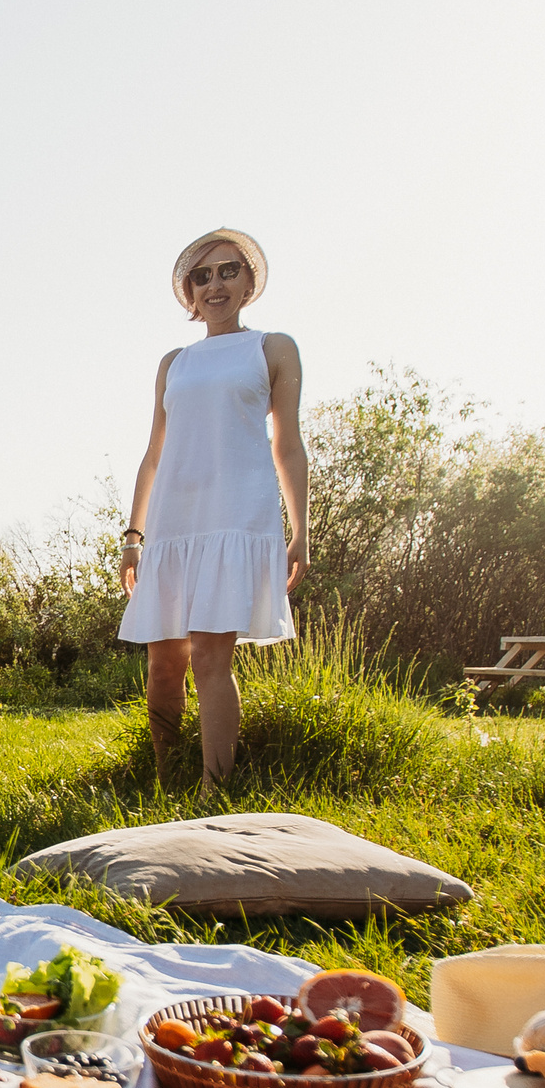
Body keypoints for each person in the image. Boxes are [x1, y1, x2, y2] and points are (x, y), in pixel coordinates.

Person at [118, 228, 308, 789]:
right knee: (164, 663)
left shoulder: (273, 348)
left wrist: (301, 531)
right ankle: (165, 777)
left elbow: (288, 445)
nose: (215, 284)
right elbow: (154, 452)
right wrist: (134, 535)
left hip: (236, 516)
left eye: (229, 270)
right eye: (202, 275)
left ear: (250, 281)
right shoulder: (173, 362)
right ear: (189, 293)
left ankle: (211, 790)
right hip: (175, 521)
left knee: (208, 656)